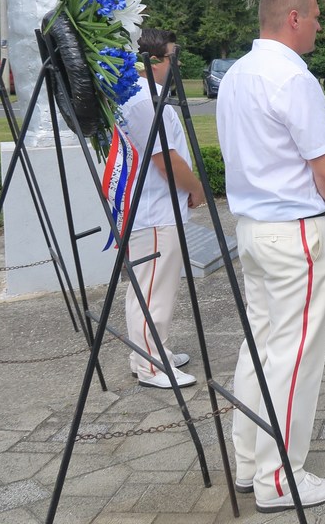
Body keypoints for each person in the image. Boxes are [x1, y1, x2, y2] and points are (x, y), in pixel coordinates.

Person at [217, 0, 325, 511]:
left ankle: (248, 460)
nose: (320, 24)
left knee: (262, 345)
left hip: (252, 228)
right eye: (315, 15)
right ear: (293, 18)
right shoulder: (293, 78)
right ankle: (281, 478)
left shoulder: (235, 75)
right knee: (295, 358)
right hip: (293, 230)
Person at [119, 28, 205, 389]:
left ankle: (152, 353)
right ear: (154, 61)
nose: (177, 65)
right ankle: (152, 365)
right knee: (153, 289)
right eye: (173, 57)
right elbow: (165, 160)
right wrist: (197, 187)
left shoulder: (137, 94)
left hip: (151, 207)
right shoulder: (144, 100)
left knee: (149, 287)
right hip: (154, 210)